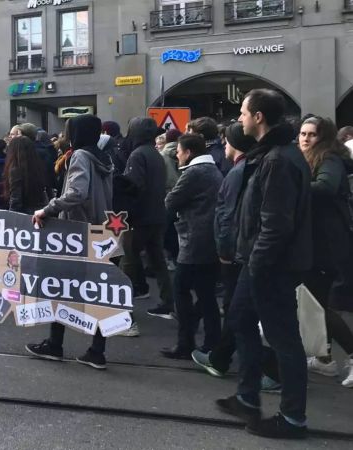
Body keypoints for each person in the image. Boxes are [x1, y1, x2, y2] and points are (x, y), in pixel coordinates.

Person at [217, 89, 312, 439]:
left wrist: (257, 265)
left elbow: (275, 224)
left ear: (258, 117)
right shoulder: (271, 153)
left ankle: (293, 419)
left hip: (270, 265)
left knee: (284, 338)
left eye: (243, 112)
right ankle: (247, 397)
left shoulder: (278, 160)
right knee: (240, 319)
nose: (239, 118)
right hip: (255, 260)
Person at [25, 114, 114, 370]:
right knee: (98, 294)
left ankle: (55, 344)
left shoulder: (80, 156)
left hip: (75, 231)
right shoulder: (104, 157)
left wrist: (49, 209)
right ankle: (97, 350)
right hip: (101, 230)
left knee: (61, 286)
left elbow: (77, 192)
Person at [192, 122, 256, 378]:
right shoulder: (243, 168)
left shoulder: (238, 172)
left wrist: (225, 250)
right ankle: (222, 356)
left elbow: (227, 214)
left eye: (227, 141)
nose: (224, 145)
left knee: (237, 310)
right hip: (244, 250)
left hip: (236, 253)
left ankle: (260, 367)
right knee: (239, 309)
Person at [296, 116, 353, 388]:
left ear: (324, 138)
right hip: (320, 242)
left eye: (312, 134)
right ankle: (324, 358)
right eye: (303, 133)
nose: (305, 138)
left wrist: (293, 188)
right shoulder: (313, 159)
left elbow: (326, 188)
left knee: (320, 305)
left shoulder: (328, 159)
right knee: (316, 302)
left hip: (327, 245)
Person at [159, 134, 224, 360]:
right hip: (209, 240)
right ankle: (212, 341)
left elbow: (170, 201)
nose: (176, 154)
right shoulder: (213, 169)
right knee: (206, 294)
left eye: (178, 150)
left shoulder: (195, 173)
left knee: (182, 290)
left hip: (194, 241)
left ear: (188, 152)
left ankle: (185, 343)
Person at [116, 117, 173, 323]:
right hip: (157, 215)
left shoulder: (137, 155)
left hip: (138, 218)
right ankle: (169, 301)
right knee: (158, 260)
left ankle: (123, 311)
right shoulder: (156, 154)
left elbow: (134, 187)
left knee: (128, 262)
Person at [4, 136, 47, 215]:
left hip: (23, 216)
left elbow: (15, 200)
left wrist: (11, 219)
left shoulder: (15, 170)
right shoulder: (38, 167)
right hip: (39, 212)